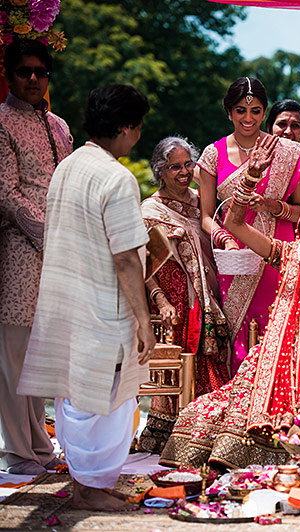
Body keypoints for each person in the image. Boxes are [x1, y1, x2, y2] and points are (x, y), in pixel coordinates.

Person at [160, 140, 300, 468]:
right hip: (278, 348)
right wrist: (250, 176)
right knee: (226, 400)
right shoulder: (286, 253)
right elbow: (235, 225)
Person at [17, 84, 153, 511]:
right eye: (139, 126)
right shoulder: (116, 177)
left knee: (77, 397)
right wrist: (143, 320)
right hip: (101, 306)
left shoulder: (68, 166)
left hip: (65, 301)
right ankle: (89, 487)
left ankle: (84, 483)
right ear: (127, 127)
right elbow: (127, 257)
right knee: (106, 401)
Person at [196, 78, 300, 375]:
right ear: (229, 112)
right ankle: (238, 403)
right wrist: (223, 236)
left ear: (264, 113)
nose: (248, 118)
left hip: (277, 256)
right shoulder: (214, 153)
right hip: (233, 256)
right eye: (240, 111)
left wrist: (275, 207)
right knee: (239, 331)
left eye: (256, 111)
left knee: (277, 328)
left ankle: (277, 401)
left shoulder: (284, 151)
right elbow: (207, 215)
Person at [0, 38, 72, 476]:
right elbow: (5, 192)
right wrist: (51, 235)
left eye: (40, 72)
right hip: (18, 250)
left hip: (59, 253)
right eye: (24, 71)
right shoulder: (2, 121)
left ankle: (41, 451)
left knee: (44, 356)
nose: (32, 79)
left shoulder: (60, 125)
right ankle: (18, 453)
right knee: (13, 356)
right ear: (8, 75)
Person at [137, 137, 231, 453]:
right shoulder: (150, 210)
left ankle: (209, 431)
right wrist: (161, 299)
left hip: (211, 301)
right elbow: (145, 267)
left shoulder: (202, 201)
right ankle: (176, 436)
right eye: (174, 167)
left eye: (188, 164)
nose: (184, 172)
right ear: (160, 171)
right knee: (179, 371)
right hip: (176, 306)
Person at [265, 98, 300, 192]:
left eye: (295, 126)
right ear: (269, 128)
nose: (288, 132)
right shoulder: (254, 163)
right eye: (282, 124)